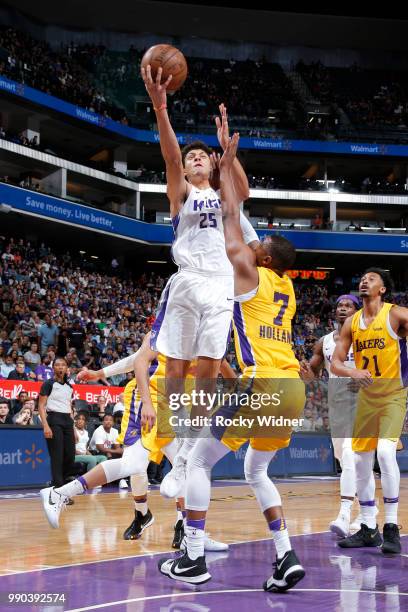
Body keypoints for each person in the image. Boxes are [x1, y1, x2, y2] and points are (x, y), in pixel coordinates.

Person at [158, 134, 305, 591]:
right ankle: (285, 555)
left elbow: (235, 214)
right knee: (255, 471)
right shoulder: (289, 290)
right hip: (294, 389)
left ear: (262, 257)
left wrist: (227, 166)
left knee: (199, 462)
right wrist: (230, 162)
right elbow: (237, 208)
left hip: (261, 385)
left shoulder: (245, 269)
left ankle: (194, 558)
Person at [140, 77, 257, 497]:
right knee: (175, 369)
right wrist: (160, 109)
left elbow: (242, 192)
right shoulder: (181, 192)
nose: (193, 160)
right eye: (190, 159)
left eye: (199, 157)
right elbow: (170, 155)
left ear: (210, 163)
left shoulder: (224, 191)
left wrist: (230, 156)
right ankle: (178, 446)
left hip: (220, 282)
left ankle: (189, 450)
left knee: (208, 369)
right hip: (187, 281)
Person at [39, 339, 228, 555]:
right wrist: (101, 373)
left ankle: (187, 530)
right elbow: (139, 359)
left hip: (175, 403)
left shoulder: (213, 332)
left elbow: (219, 378)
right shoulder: (173, 318)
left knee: (181, 466)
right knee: (145, 465)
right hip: (151, 398)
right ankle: (166, 523)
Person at [332, 268, 408, 554]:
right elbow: (336, 363)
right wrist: (352, 371)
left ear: (383, 289)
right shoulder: (351, 322)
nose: (365, 280)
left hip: (393, 396)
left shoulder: (397, 314)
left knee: (386, 454)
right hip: (366, 399)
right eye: (362, 278)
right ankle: (367, 527)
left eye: (372, 278)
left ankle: (391, 526)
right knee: (360, 461)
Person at [300, 295, 361, 536]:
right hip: (337, 406)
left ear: (357, 311)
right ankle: (368, 512)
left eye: (348, 306)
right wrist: (305, 374)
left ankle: (345, 513)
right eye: (340, 306)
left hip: (363, 404)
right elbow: (312, 375)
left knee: (349, 455)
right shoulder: (324, 342)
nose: (343, 309)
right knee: (343, 457)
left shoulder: (366, 337)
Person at [38, 358, 76, 491]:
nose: (60, 367)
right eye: (57, 365)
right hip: (54, 420)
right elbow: (41, 406)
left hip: (67, 421)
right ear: (53, 368)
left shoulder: (70, 387)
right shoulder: (48, 384)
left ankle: (63, 487)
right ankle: (58, 489)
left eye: (63, 365)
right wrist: (45, 425)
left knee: (70, 456)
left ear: (67, 368)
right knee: (57, 456)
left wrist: (74, 428)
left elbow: (70, 407)